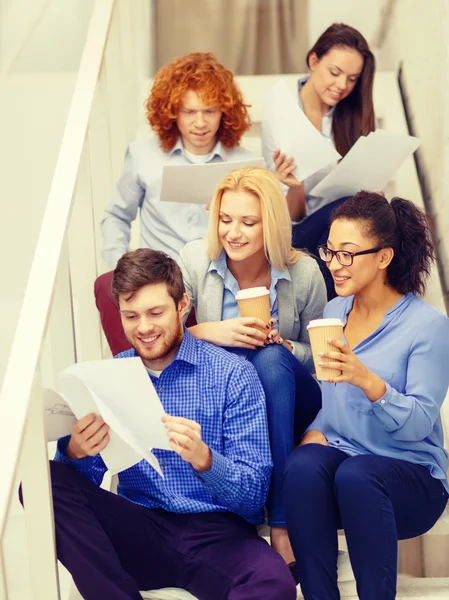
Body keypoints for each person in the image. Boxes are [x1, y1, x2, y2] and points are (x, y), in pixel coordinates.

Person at [49, 249, 296, 600]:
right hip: (140, 529)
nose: (144, 328)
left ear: (182, 305)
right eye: (131, 316)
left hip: (218, 535)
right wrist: (76, 453)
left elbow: (254, 497)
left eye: (155, 312)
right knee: (44, 481)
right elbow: (75, 497)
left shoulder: (233, 375)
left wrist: (206, 460)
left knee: (274, 584)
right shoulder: (110, 375)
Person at [283, 191, 449, 600]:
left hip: (413, 480)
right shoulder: (335, 313)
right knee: (303, 465)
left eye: (347, 254)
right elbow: (332, 404)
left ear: (383, 257)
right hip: (347, 470)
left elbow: (417, 426)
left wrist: (367, 380)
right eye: (330, 251)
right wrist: (313, 436)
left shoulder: (428, 327)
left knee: (356, 475)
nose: (333, 264)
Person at [179, 166, 326, 565]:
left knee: (273, 359)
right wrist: (214, 331)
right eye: (225, 219)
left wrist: (287, 347)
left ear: (272, 225)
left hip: (290, 395)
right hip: (229, 399)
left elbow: (322, 357)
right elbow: (165, 337)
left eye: (248, 222)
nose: (233, 232)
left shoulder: (305, 272)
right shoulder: (194, 259)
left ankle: (280, 524)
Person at [95, 52, 254, 355]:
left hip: (217, 280)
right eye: (188, 111)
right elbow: (116, 216)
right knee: (108, 284)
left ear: (225, 112)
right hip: (158, 276)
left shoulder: (244, 163)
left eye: (210, 111)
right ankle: (137, 377)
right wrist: (121, 266)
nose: (200, 123)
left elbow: (264, 231)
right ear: (171, 113)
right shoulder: (143, 156)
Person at [262, 23, 375, 298]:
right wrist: (296, 186)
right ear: (314, 61)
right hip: (301, 234)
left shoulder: (350, 113)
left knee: (381, 215)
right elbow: (290, 219)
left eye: (352, 79)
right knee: (344, 213)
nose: (341, 86)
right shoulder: (283, 115)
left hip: (348, 234)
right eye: (335, 73)